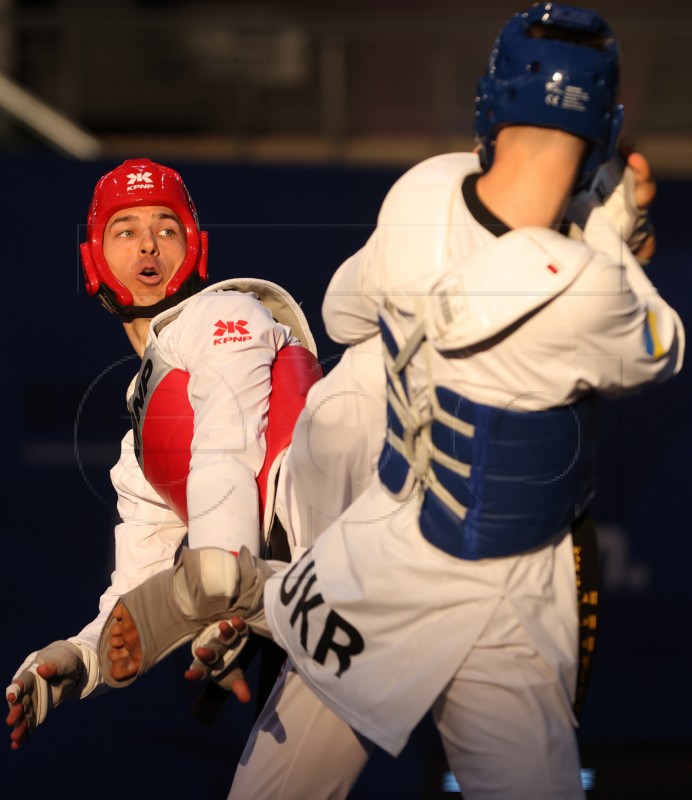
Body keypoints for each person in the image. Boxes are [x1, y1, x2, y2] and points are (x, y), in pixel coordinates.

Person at [99, 4, 684, 800]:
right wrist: (615, 228)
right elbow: (660, 346)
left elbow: (342, 314)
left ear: (491, 102)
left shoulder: (424, 190)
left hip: (371, 558)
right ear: (605, 125)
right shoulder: (593, 289)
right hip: (498, 585)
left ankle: (245, 595)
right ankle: (244, 595)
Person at [4, 158, 322, 748]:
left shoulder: (222, 313)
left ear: (194, 249)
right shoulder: (139, 442)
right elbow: (136, 587)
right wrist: (81, 661)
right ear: (94, 260)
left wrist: (223, 576)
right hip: (303, 602)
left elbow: (227, 446)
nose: (148, 243)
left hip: (355, 555)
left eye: (166, 228)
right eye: (124, 230)